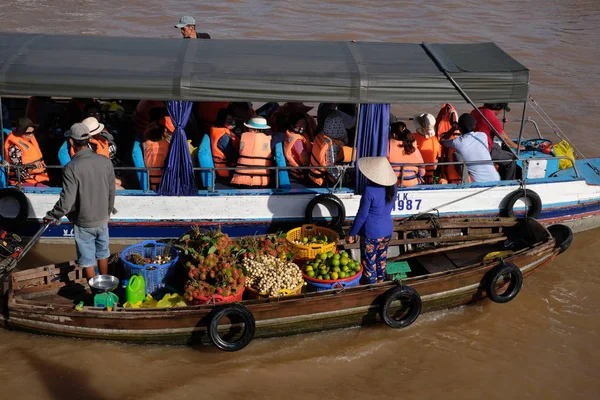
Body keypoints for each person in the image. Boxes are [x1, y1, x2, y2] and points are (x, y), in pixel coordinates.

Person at [43, 123, 116, 281]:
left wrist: (52, 215)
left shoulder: (71, 167)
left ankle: (95, 292)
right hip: (103, 219)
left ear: (71, 142)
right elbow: (112, 192)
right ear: (89, 139)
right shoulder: (106, 162)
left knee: (88, 260)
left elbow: (67, 201)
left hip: (83, 222)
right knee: (103, 253)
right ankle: (106, 286)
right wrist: (108, 213)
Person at [346, 157, 397, 284]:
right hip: (387, 231)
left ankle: (372, 289)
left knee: (369, 263)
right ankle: (381, 283)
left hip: (371, 233)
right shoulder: (393, 188)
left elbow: (362, 215)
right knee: (381, 260)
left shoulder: (370, 190)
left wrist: (352, 234)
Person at [441, 114, 500, 183]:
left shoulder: (458, 142)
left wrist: (453, 128)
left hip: (478, 183)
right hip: (496, 179)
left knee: (456, 155)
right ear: (474, 126)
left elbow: (442, 140)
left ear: (459, 128)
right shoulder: (483, 136)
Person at [471, 103, 523, 180]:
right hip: (484, 149)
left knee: (498, 147)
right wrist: (518, 146)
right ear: (499, 109)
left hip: (474, 144)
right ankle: (509, 183)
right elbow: (505, 138)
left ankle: (500, 171)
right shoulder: (492, 118)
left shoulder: (476, 110)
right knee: (511, 159)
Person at [4, 117, 50, 186]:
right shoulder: (14, 149)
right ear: (20, 132)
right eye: (27, 133)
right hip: (22, 182)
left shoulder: (29, 141)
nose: (31, 135)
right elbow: (19, 173)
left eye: (32, 132)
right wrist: (33, 166)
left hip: (35, 179)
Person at [309, 115, 353, 186]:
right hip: (321, 179)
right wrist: (344, 179)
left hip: (313, 173)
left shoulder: (321, 135)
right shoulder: (332, 146)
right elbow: (331, 168)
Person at [230, 117, 274, 187]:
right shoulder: (271, 140)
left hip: (240, 181)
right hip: (262, 182)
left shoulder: (242, 137)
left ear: (253, 129)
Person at [143, 116, 175, 190]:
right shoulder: (168, 145)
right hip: (165, 185)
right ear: (165, 130)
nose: (172, 134)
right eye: (170, 132)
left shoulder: (145, 144)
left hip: (150, 185)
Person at [210, 108, 239, 179]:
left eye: (233, 119)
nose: (232, 122)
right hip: (227, 171)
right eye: (229, 120)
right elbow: (232, 157)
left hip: (227, 168)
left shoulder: (218, 130)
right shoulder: (224, 138)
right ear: (222, 120)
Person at [283, 112, 313, 181]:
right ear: (292, 125)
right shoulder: (298, 141)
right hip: (300, 170)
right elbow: (304, 159)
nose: (302, 128)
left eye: (304, 125)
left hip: (291, 168)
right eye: (299, 125)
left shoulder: (289, 135)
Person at [413, 113, 441, 184]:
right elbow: (438, 157)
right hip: (431, 176)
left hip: (417, 175)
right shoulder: (435, 140)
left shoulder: (413, 138)